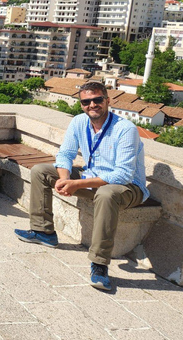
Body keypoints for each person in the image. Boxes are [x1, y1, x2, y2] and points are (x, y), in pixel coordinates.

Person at [14, 81, 148, 291]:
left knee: (106, 194)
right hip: (91, 176)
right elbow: (65, 155)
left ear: (107, 101)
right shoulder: (79, 123)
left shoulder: (125, 129)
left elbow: (122, 175)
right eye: (86, 101)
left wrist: (76, 183)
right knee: (41, 171)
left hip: (129, 187)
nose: (92, 105)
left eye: (97, 100)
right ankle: (43, 232)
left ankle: (99, 264)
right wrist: (64, 179)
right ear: (81, 104)